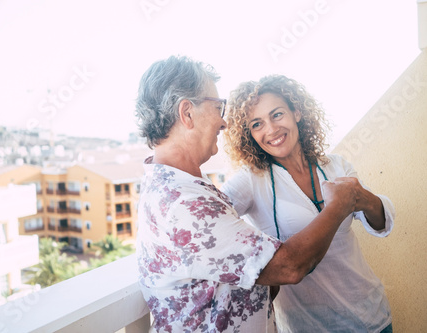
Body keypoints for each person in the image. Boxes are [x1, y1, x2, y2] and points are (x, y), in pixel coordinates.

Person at [134, 55, 359, 333]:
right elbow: (290, 267)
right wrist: (338, 207)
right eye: (218, 107)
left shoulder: (181, 186)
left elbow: (236, 269)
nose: (224, 122)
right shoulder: (183, 204)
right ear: (187, 113)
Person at [221, 74, 395, 333]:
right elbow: (212, 221)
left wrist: (361, 196)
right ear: (250, 134)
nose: (271, 130)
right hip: (309, 326)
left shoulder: (335, 165)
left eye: (277, 115)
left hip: (371, 317)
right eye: (257, 124)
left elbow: (380, 224)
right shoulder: (250, 180)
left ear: (297, 112)